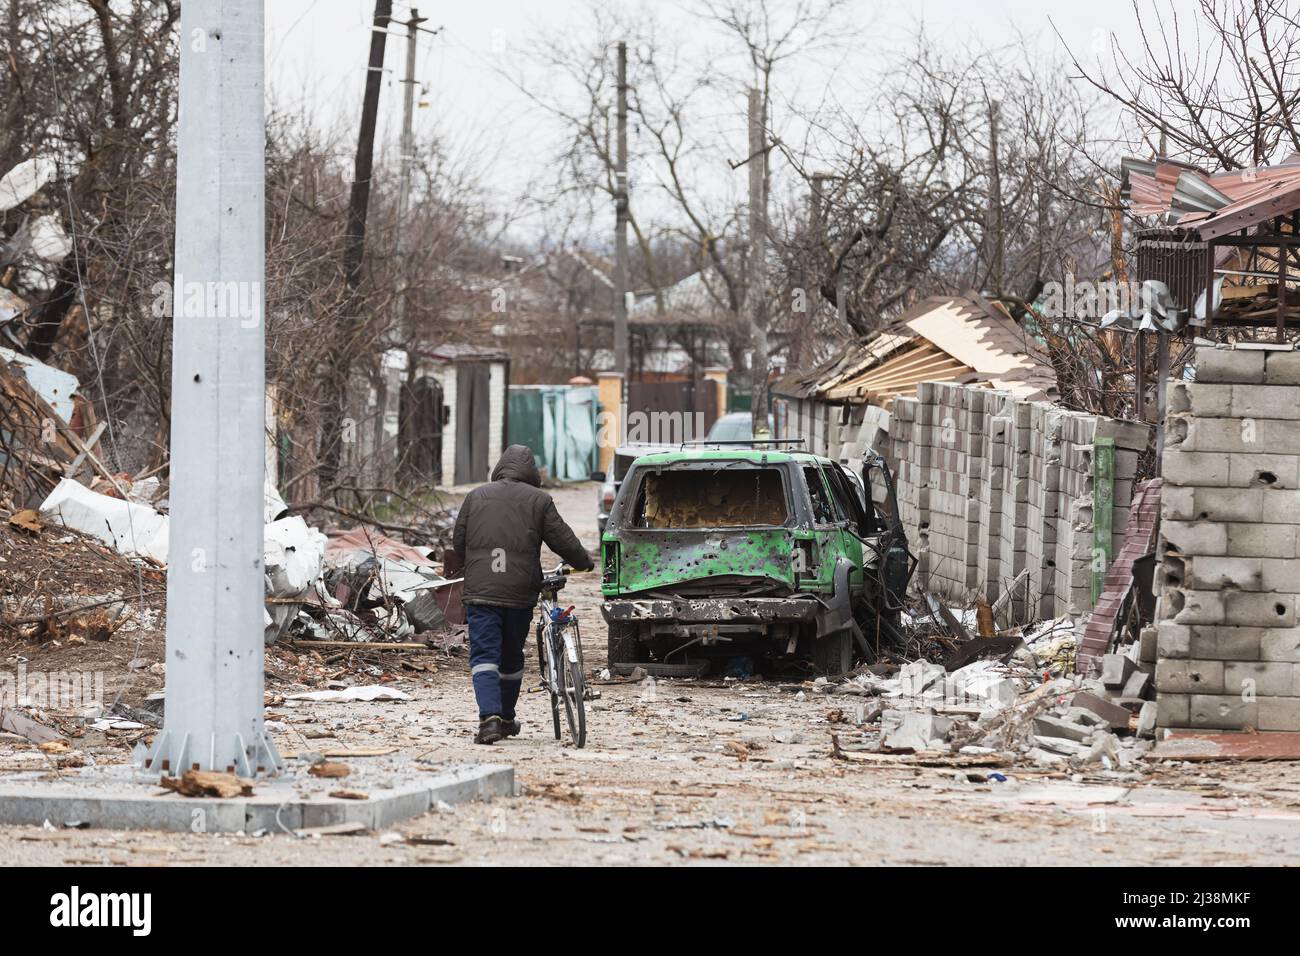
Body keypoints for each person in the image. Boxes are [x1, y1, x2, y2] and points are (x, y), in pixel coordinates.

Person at [452, 444, 594, 744]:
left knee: (484, 655)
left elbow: (458, 542)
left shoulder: (475, 496)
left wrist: (479, 566)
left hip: (481, 593)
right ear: (531, 473)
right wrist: (584, 563)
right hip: (519, 593)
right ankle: (505, 716)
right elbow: (563, 541)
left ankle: (489, 719)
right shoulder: (539, 500)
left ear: (500, 467)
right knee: (512, 656)